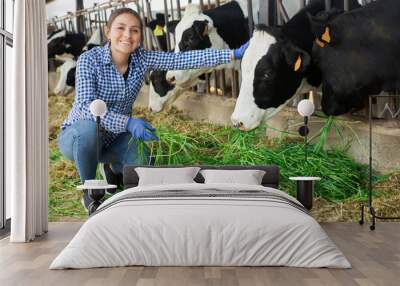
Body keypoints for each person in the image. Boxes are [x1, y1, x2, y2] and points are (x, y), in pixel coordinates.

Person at [57, 8, 250, 210]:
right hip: (79, 140)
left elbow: (182, 59)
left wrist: (232, 53)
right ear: (107, 32)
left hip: (114, 139)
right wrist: (128, 122)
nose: (127, 35)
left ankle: (116, 173)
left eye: (134, 30)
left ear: (140, 36)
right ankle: (90, 192)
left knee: (143, 157)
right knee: (89, 129)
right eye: (120, 28)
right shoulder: (89, 60)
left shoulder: (141, 58)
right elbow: (89, 109)